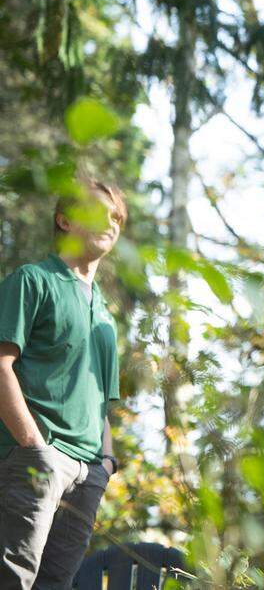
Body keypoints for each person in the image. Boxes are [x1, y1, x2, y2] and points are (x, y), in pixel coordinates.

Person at [0, 178, 127, 588]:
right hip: (36, 461)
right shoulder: (32, 280)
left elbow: (101, 403)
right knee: (13, 580)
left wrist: (104, 465)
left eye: (116, 216)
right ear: (65, 221)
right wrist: (35, 447)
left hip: (87, 475)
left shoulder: (106, 314)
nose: (109, 222)